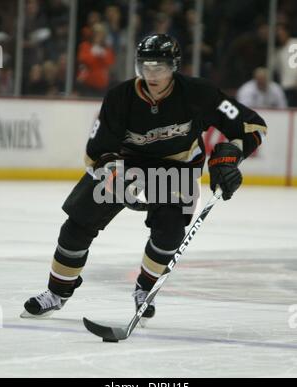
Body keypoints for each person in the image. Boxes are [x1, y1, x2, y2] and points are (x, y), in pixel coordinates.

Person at [21, 34, 267, 324]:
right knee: (77, 225)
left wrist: (230, 156)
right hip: (127, 166)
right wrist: (114, 173)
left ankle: (145, 290)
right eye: (146, 67)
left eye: (160, 67)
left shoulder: (199, 93)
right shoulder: (120, 97)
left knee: (169, 233)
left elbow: (253, 126)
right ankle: (57, 293)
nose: (152, 74)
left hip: (177, 169)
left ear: (174, 67)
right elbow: (96, 152)